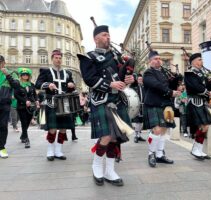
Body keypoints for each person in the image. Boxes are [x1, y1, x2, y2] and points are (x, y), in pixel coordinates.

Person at [78, 25, 135, 186]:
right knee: (106, 136)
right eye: (104, 35)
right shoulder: (88, 57)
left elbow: (124, 76)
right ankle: (97, 164)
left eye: (109, 35)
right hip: (101, 100)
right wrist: (110, 84)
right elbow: (89, 79)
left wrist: (131, 79)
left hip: (118, 100)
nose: (108, 37)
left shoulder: (117, 56)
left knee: (115, 137)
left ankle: (110, 170)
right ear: (96, 39)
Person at [143, 50, 181, 168]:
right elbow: (156, 85)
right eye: (155, 59)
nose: (158, 60)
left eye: (159, 58)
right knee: (157, 130)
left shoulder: (164, 73)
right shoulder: (148, 73)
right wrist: (171, 92)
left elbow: (169, 85)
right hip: (153, 103)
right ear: (150, 61)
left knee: (164, 130)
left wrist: (177, 80)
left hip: (165, 104)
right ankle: (151, 154)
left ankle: (159, 154)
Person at [35, 50, 75, 161]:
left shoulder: (68, 73)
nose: (58, 59)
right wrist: (48, 85)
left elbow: (72, 87)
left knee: (63, 128)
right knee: (52, 128)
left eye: (60, 58)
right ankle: (50, 151)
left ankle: (58, 151)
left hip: (64, 103)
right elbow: (37, 84)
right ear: (52, 58)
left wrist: (72, 85)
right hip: (51, 102)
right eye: (56, 58)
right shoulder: (46, 71)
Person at [184, 53, 211, 160]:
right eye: (200, 60)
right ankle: (195, 149)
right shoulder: (189, 72)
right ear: (193, 61)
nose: (202, 62)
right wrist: (208, 93)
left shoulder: (201, 73)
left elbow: (207, 86)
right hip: (195, 102)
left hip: (202, 102)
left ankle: (198, 149)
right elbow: (195, 87)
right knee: (204, 126)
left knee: (205, 126)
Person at [0, 55, 20, 158]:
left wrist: (7, 75)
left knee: (3, 125)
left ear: (3, 63)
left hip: (4, 104)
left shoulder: (11, 73)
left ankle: (2, 147)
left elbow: (17, 85)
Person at [14, 67, 39, 148]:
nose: (25, 76)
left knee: (28, 122)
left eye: (26, 75)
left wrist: (37, 100)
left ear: (29, 76)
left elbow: (34, 94)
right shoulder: (18, 84)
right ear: (21, 76)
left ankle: (23, 136)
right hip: (21, 106)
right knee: (24, 122)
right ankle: (26, 140)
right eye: (23, 74)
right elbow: (16, 95)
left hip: (31, 107)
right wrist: (25, 101)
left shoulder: (31, 84)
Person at [131, 74, 146, 143]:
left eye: (141, 79)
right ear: (137, 80)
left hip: (143, 105)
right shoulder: (134, 86)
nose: (140, 80)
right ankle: (136, 136)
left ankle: (139, 135)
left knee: (141, 121)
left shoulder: (144, 86)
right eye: (139, 79)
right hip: (137, 105)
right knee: (137, 121)